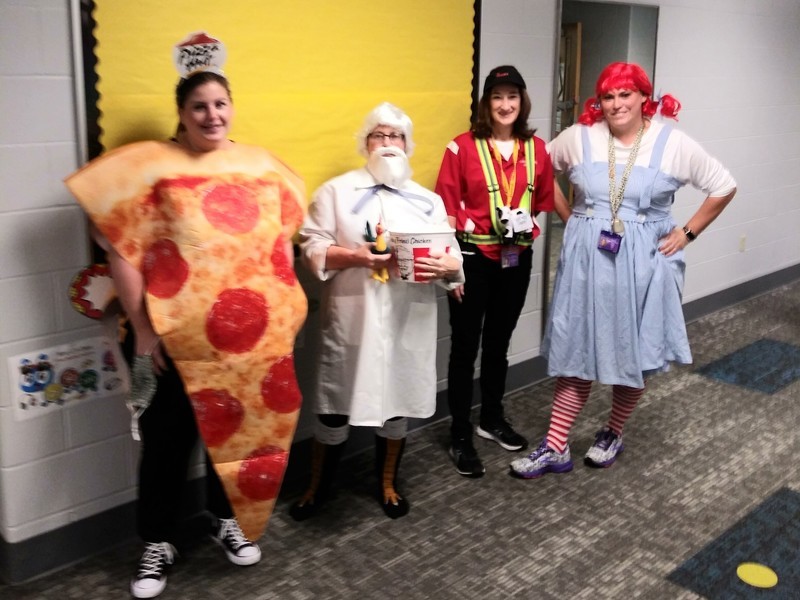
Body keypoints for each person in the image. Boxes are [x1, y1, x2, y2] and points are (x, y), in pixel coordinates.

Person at [66, 34, 307, 598]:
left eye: (220, 104)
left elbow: (280, 245)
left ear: (232, 107)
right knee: (166, 444)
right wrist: (144, 332)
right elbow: (124, 252)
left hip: (250, 343)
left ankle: (228, 520)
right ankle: (156, 541)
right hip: (168, 342)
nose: (211, 115)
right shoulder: (150, 169)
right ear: (181, 112)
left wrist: (286, 313)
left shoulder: (259, 165)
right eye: (199, 106)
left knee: (241, 433)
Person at [510, 62, 737, 479]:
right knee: (576, 346)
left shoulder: (672, 142)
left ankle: (612, 431)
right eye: (608, 96)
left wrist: (686, 233)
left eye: (625, 94)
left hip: (645, 261)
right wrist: (570, 215)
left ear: (643, 97)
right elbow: (538, 167)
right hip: (587, 258)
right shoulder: (580, 137)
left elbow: (724, 185)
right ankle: (556, 446)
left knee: (632, 349)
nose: (616, 105)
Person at [292, 102, 464, 520]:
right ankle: (318, 487)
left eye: (396, 136)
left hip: (406, 316)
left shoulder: (427, 201)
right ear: (365, 143)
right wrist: (356, 256)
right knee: (334, 403)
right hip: (354, 318)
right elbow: (311, 248)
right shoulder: (335, 193)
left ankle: (387, 483)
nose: (388, 142)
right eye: (378, 135)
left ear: (407, 144)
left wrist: (451, 268)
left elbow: (451, 255)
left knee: (398, 398)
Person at [435, 65, 555, 477]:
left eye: (512, 96)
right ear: (486, 103)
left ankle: (491, 418)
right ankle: (460, 434)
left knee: (499, 343)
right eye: (497, 97)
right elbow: (444, 212)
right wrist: (451, 272)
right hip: (470, 260)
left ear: (522, 101)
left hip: (515, 260)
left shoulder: (537, 150)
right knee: (465, 346)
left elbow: (541, 200)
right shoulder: (461, 148)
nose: (505, 105)